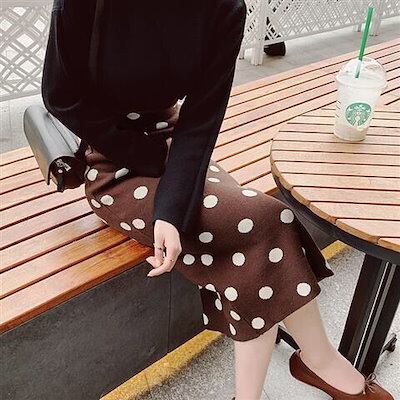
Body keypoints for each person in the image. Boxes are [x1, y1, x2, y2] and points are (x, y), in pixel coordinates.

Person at [41, 1, 394, 399]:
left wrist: (172, 208)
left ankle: (302, 370)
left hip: (180, 148)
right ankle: (319, 361)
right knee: (265, 225)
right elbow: (59, 95)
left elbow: (201, 120)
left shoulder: (223, 9)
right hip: (109, 160)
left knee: (260, 231)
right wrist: (153, 164)